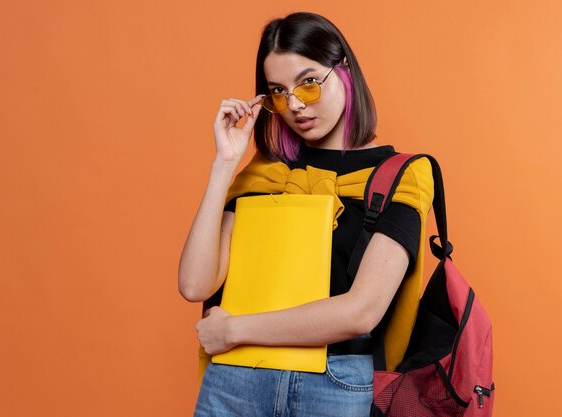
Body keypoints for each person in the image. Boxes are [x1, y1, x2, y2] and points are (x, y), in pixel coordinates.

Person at [178, 12, 432, 417]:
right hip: (236, 381)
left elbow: (360, 312)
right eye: (278, 91)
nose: (294, 104)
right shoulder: (262, 173)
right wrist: (225, 164)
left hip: (337, 387)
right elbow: (194, 284)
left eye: (309, 83)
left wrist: (233, 330)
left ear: (344, 69)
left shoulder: (398, 176)